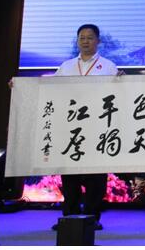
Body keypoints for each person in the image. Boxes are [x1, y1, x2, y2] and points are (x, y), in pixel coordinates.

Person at [52, 24, 119, 231]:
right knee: (69, 173)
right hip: (71, 126)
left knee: (96, 175)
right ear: (77, 41)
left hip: (97, 127)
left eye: (90, 37)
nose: (85, 41)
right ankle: (69, 216)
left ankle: (91, 216)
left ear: (98, 41)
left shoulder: (108, 66)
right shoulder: (66, 66)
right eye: (82, 37)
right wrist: (19, 87)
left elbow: (119, 94)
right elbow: (49, 90)